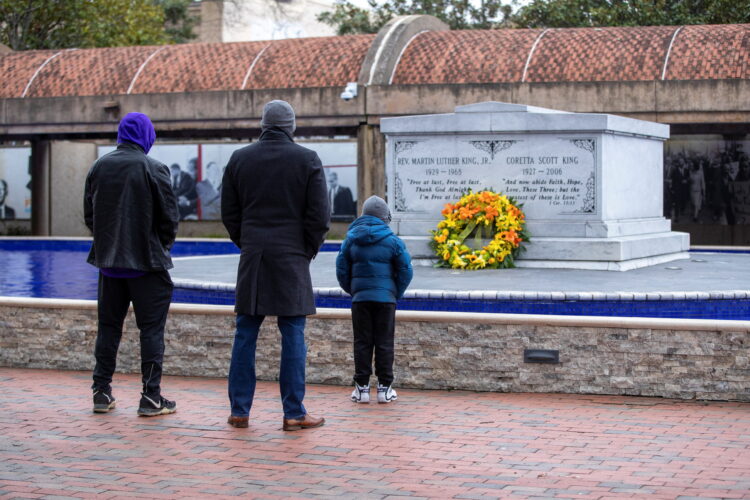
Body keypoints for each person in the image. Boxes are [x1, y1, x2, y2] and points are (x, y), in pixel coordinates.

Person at [221, 100, 330, 431]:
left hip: (253, 255)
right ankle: (293, 412)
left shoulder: (240, 159)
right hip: (292, 256)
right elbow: (320, 216)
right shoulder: (307, 159)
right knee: (293, 333)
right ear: (291, 126)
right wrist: (305, 251)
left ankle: (240, 410)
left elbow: (229, 213)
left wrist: (249, 243)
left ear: (263, 124)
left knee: (246, 332)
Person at [84, 112, 179, 417]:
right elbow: (169, 220)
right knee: (151, 330)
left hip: (110, 265)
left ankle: (101, 392)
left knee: (108, 328)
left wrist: (108, 245)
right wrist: (159, 246)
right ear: (147, 136)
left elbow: (90, 215)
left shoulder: (99, 167)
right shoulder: (154, 168)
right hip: (147, 266)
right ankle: (151, 397)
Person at [335, 196, 413, 404]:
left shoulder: (351, 239)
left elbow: (342, 270)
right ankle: (384, 389)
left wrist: (354, 291)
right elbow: (406, 271)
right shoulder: (393, 241)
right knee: (384, 343)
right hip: (385, 300)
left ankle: (361, 390)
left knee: (362, 342)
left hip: (360, 299)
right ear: (383, 217)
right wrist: (394, 293)